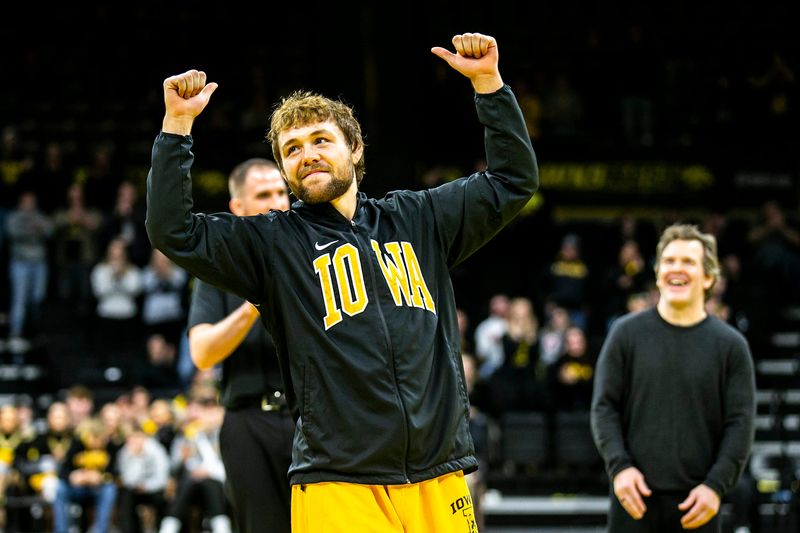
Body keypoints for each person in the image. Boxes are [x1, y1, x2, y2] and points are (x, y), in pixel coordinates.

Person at [146, 32, 538, 532]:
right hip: (339, 480)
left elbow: (513, 181)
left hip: (438, 470)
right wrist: (176, 128)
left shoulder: (418, 218)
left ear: (354, 148)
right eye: (291, 148)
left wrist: (489, 85)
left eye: (320, 140)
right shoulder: (273, 243)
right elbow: (172, 230)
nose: (306, 154)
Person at [591, 223, 756, 532]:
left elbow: (740, 423)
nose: (676, 268)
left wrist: (715, 486)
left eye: (688, 261)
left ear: (708, 277)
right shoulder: (625, 333)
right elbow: (604, 408)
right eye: (668, 260)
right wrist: (620, 468)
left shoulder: (731, 346)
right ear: (657, 273)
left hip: (699, 504)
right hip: (633, 499)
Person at [187, 157, 294, 533]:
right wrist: (254, 303)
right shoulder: (218, 267)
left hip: (311, 419)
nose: (278, 202)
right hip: (248, 421)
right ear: (238, 207)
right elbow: (201, 352)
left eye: (283, 192)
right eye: (264, 194)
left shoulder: (314, 257)